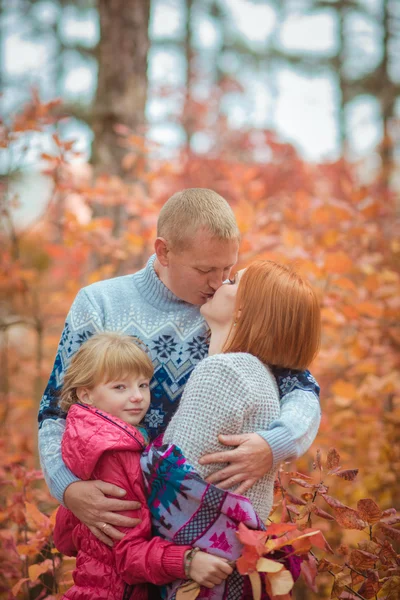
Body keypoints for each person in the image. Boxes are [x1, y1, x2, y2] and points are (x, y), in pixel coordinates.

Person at [38, 188, 321, 547]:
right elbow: (54, 409)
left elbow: (302, 390)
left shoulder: (233, 311)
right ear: (164, 251)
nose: (218, 282)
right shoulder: (100, 304)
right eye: (205, 270)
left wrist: (273, 444)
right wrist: (69, 488)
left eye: (227, 269)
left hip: (197, 527)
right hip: (117, 522)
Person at [141, 260, 321, 599]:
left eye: (234, 280)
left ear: (245, 310)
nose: (222, 282)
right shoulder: (262, 378)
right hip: (229, 569)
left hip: (198, 573)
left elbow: (168, 482)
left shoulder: (225, 371)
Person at [53, 332, 234, 600]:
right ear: (86, 395)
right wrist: (186, 561)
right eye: (120, 387)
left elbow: (64, 539)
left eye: (143, 385)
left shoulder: (82, 442)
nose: (137, 396)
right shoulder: (115, 454)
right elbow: (127, 557)